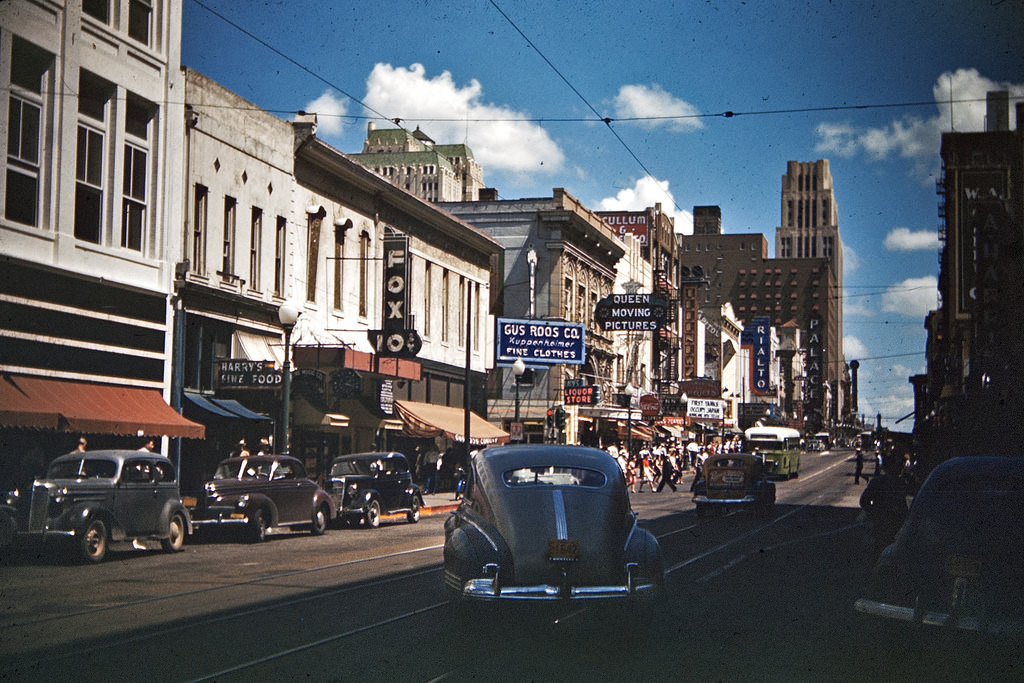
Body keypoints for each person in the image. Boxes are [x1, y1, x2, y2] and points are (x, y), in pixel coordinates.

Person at [859, 456, 909, 556]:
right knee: (881, 548)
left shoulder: (902, 483)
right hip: (883, 522)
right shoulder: (879, 482)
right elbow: (864, 501)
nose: (900, 468)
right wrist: (876, 513)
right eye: (898, 465)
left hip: (896, 523)